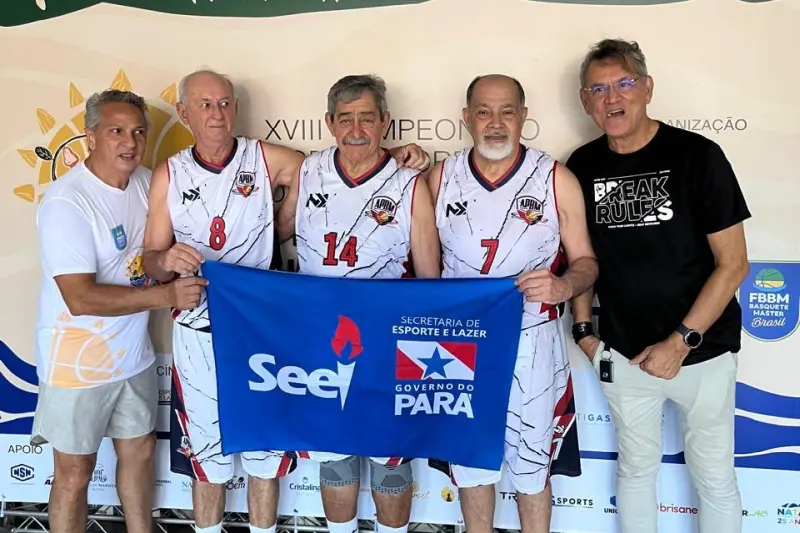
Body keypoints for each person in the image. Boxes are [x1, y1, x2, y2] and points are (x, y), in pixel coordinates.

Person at [141, 69, 431, 533]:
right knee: (227, 458)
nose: (216, 114)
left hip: (278, 332)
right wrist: (165, 261)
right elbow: (153, 260)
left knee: (308, 454)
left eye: (224, 103)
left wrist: (390, 157)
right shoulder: (171, 173)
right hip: (210, 326)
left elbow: (354, 162)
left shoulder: (272, 158)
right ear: (184, 112)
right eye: (204, 104)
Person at [566, 39, 750, 533]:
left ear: (647, 88)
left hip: (703, 350)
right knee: (635, 471)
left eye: (624, 83)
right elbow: (580, 258)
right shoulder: (582, 166)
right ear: (585, 100)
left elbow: (733, 264)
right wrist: (585, 333)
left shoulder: (698, 155)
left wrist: (680, 342)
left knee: (714, 478)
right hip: (623, 354)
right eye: (598, 89)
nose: (612, 97)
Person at [425, 74, 598, 533]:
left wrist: (564, 286)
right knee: (470, 464)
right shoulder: (440, 178)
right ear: (467, 118)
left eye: (507, 111)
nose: (495, 122)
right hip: (459, 343)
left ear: (523, 116)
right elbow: (421, 270)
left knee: (532, 469)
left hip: (532, 341)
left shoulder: (555, 178)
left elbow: (586, 261)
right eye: (484, 111)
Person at [31, 89, 205, 533]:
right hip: (75, 364)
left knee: (140, 453)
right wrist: (165, 297)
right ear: (90, 137)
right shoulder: (66, 202)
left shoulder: (147, 183)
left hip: (133, 356)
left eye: (138, 132)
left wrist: (166, 263)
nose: (130, 142)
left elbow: (155, 256)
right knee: (75, 473)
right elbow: (80, 298)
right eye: (116, 131)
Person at [294, 74, 441, 533]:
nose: (356, 130)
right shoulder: (307, 170)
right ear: (329, 123)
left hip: (386, 341)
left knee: (389, 459)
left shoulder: (409, 183)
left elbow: (430, 278)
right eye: (346, 119)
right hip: (322, 337)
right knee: (334, 456)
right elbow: (267, 236)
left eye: (367, 118)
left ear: (385, 121)